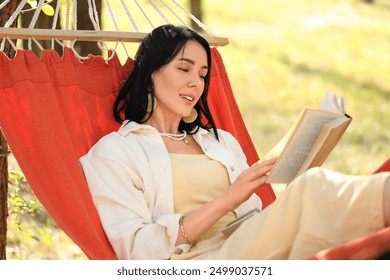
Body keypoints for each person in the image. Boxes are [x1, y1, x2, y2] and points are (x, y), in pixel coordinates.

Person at [79, 24, 390, 260]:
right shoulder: (116, 152)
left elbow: (254, 213)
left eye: (202, 75)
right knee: (314, 189)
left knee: (310, 189)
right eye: (184, 69)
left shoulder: (220, 142)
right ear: (149, 74)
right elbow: (136, 250)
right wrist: (230, 197)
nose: (195, 83)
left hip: (253, 241)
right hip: (201, 260)